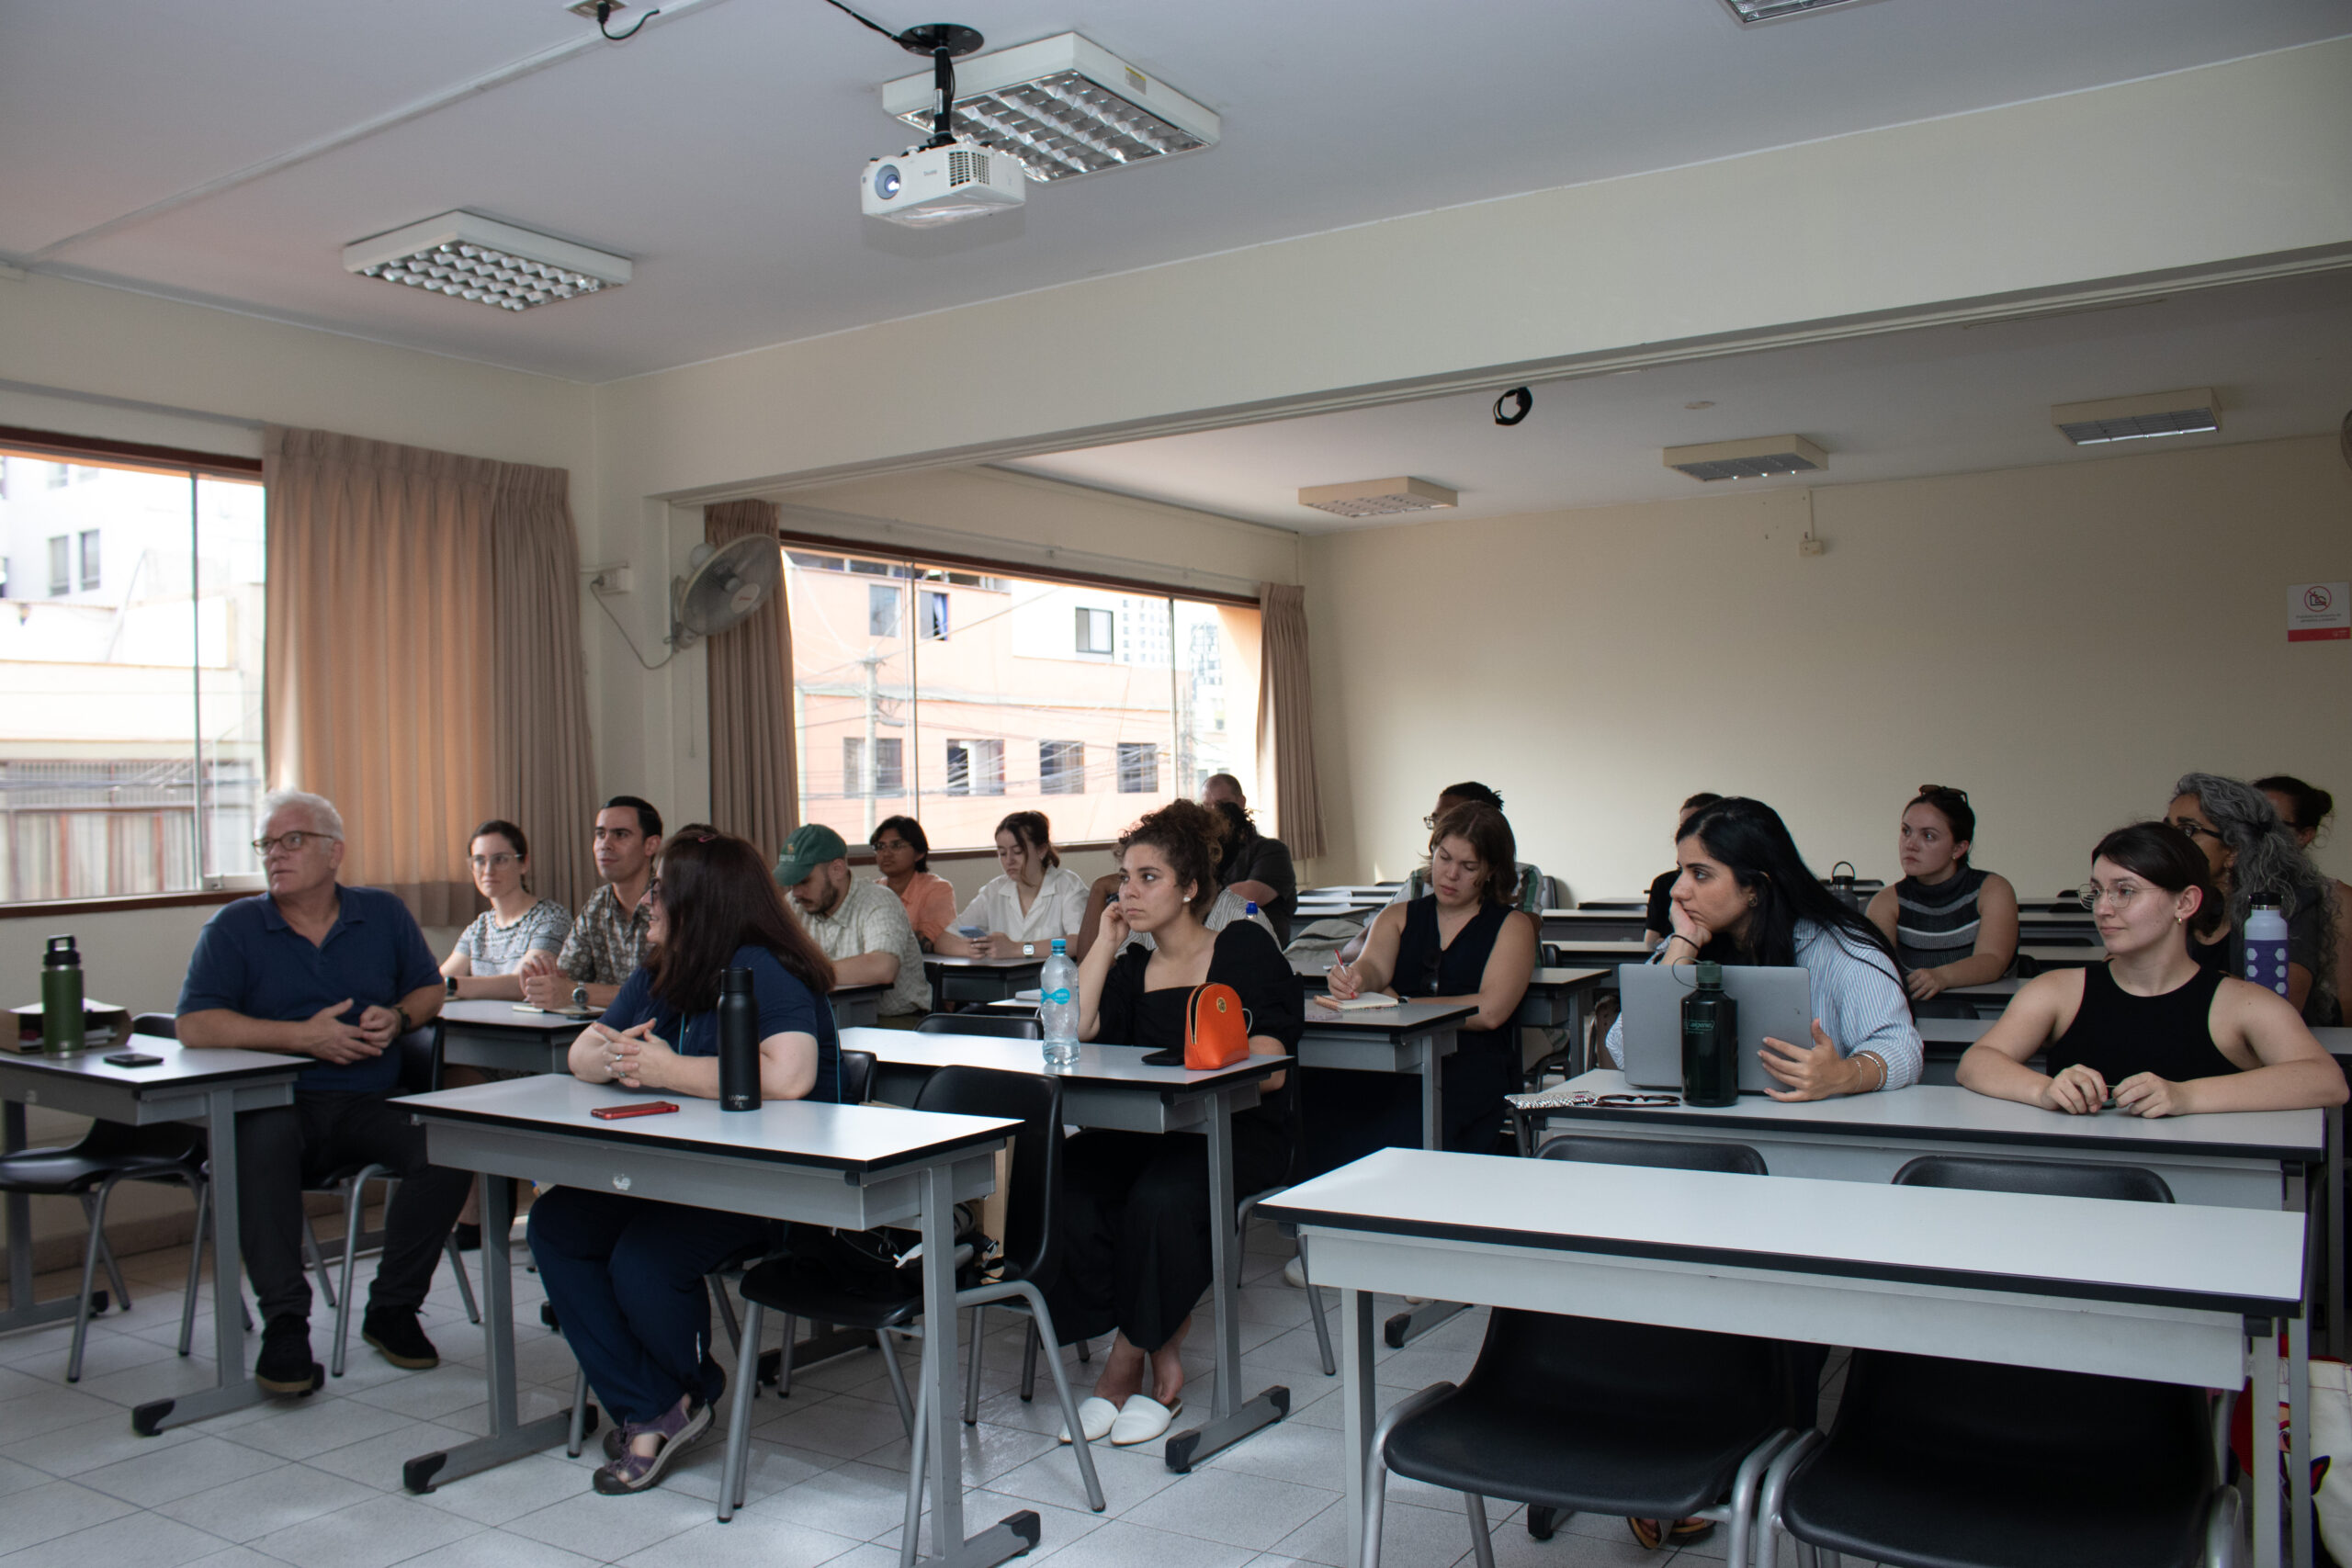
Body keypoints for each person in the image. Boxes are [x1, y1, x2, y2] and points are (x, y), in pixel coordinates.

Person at [528, 827, 843, 1495]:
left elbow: (789, 1076)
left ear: (702, 901)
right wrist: (622, 1058)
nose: (648, 902)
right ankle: (657, 1402)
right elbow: (583, 1052)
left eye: (661, 890)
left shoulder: (767, 967)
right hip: (675, 1172)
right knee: (555, 1224)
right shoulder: (664, 968)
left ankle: (670, 1401)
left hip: (763, 1182)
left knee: (643, 1259)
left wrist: (665, 1068)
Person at [176, 789, 469, 1393]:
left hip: (369, 1101)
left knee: (450, 1145)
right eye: (266, 844)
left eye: (291, 840)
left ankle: (392, 1307)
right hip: (280, 1103)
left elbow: (429, 989)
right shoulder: (235, 926)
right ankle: (286, 1323)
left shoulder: (381, 913)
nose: (274, 854)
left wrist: (399, 1017)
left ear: (334, 852)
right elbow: (195, 1024)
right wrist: (301, 1038)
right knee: (258, 1141)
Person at [1047, 800, 1301, 1449]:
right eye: (1123, 878)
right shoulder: (1132, 967)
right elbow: (1074, 1030)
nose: (1128, 892)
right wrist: (1106, 943)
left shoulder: (1241, 947)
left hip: (1233, 1131)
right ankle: (1161, 1339)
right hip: (1148, 1133)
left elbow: (1270, 1068)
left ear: (1189, 888)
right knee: (1069, 1182)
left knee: (1160, 1200)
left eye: (1148, 877)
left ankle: (1122, 1364)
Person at [1959, 822, 2345, 1118]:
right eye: (2097, 891)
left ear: (2185, 902)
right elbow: (1978, 1062)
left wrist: (2186, 1095)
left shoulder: (2243, 1003)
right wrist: (2042, 1090)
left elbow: (2326, 1080)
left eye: (2125, 891)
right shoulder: (2057, 990)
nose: (2103, 908)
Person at [1603, 797, 1923, 1099]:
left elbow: (1902, 1049)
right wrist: (1683, 943)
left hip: (1812, 1123)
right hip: (1705, 1119)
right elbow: (1624, 1050)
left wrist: (1846, 1074)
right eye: (1680, 870)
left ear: (1754, 888)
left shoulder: (1844, 948)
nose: (1677, 890)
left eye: (1700, 874)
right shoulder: (1687, 943)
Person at [1325, 802, 1538, 1154]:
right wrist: (1354, 978)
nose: (1451, 874)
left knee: (1406, 1122)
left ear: (1491, 870)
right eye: (1444, 858)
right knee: (1326, 1099)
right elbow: (1373, 966)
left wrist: (1403, 1004)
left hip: (1470, 1063)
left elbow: (1489, 1011)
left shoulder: (1513, 927)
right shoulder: (1397, 916)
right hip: (1397, 1055)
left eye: (1468, 867)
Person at [2167, 773, 2340, 1024]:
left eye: (2187, 830)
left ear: (2233, 850)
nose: (2169, 843)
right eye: (2166, 830)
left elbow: (2281, 1004)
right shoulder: (2168, 896)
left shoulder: (2288, 900)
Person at [1340, 781, 1546, 963]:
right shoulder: (1420, 882)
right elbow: (1357, 946)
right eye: (1436, 820)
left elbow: (1519, 940)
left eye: (1452, 819)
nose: (1452, 874)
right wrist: (1376, 964)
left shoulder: (1524, 877)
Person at [1863, 785, 2019, 1004]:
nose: (1910, 844)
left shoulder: (1993, 890)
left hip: (1984, 1014)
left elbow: (1993, 960)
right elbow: (1876, 968)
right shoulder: (1886, 901)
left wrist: (1942, 976)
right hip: (1913, 1014)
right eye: (1906, 831)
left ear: (1958, 849)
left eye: (1928, 836)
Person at [774, 822, 930, 1017]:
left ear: (837, 869)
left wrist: (808, 973)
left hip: (891, 1022)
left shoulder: (879, 900)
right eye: (792, 884)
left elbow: (882, 968)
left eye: (805, 881)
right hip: (827, 1017)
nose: (796, 893)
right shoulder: (794, 904)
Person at [526, 796, 662, 1011]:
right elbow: (567, 975)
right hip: (601, 1027)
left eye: (620, 835)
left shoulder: (670, 904)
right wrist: (543, 982)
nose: (605, 844)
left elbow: (663, 995)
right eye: (600, 834)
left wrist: (575, 992)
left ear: (651, 845)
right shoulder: (597, 903)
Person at [2255, 774, 2352, 1026]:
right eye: (2248, 820)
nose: (2256, 834)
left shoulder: (2336, 897)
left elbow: (2347, 1002)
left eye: (2272, 825)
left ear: (2304, 835)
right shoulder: (2218, 891)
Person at [440, 818, 571, 1000]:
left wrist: (450, 985)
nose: (488, 870)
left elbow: (522, 984)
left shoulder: (552, 919)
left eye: (500, 859)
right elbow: (438, 980)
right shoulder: (478, 928)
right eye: (479, 860)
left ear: (524, 863)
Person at [930, 811, 1089, 959]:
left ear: (1041, 850)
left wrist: (1018, 949)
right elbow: (944, 941)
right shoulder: (994, 891)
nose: (1009, 860)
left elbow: (1079, 942)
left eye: (1018, 851)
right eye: (1002, 853)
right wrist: (970, 949)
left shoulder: (1068, 886)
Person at [1201, 773, 1299, 943]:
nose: (1215, 812)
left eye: (1223, 804)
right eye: (1207, 806)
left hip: (1255, 946)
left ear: (1241, 802)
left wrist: (1194, 897)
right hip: (1207, 944)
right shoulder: (1202, 853)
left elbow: (1246, 897)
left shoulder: (1272, 850)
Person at [1643, 793, 1724, 951]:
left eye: (1701, 874)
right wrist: (1679, 941)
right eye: (1683, 827)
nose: (1676, 892)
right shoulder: (1664, 884)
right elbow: (1650, 943)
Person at [870, 815, 956, 951]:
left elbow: (929, 940)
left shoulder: (937, 889)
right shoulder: (870, 891)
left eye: (896, 845)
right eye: (880, 846)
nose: (886, 853)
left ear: (919, 853)